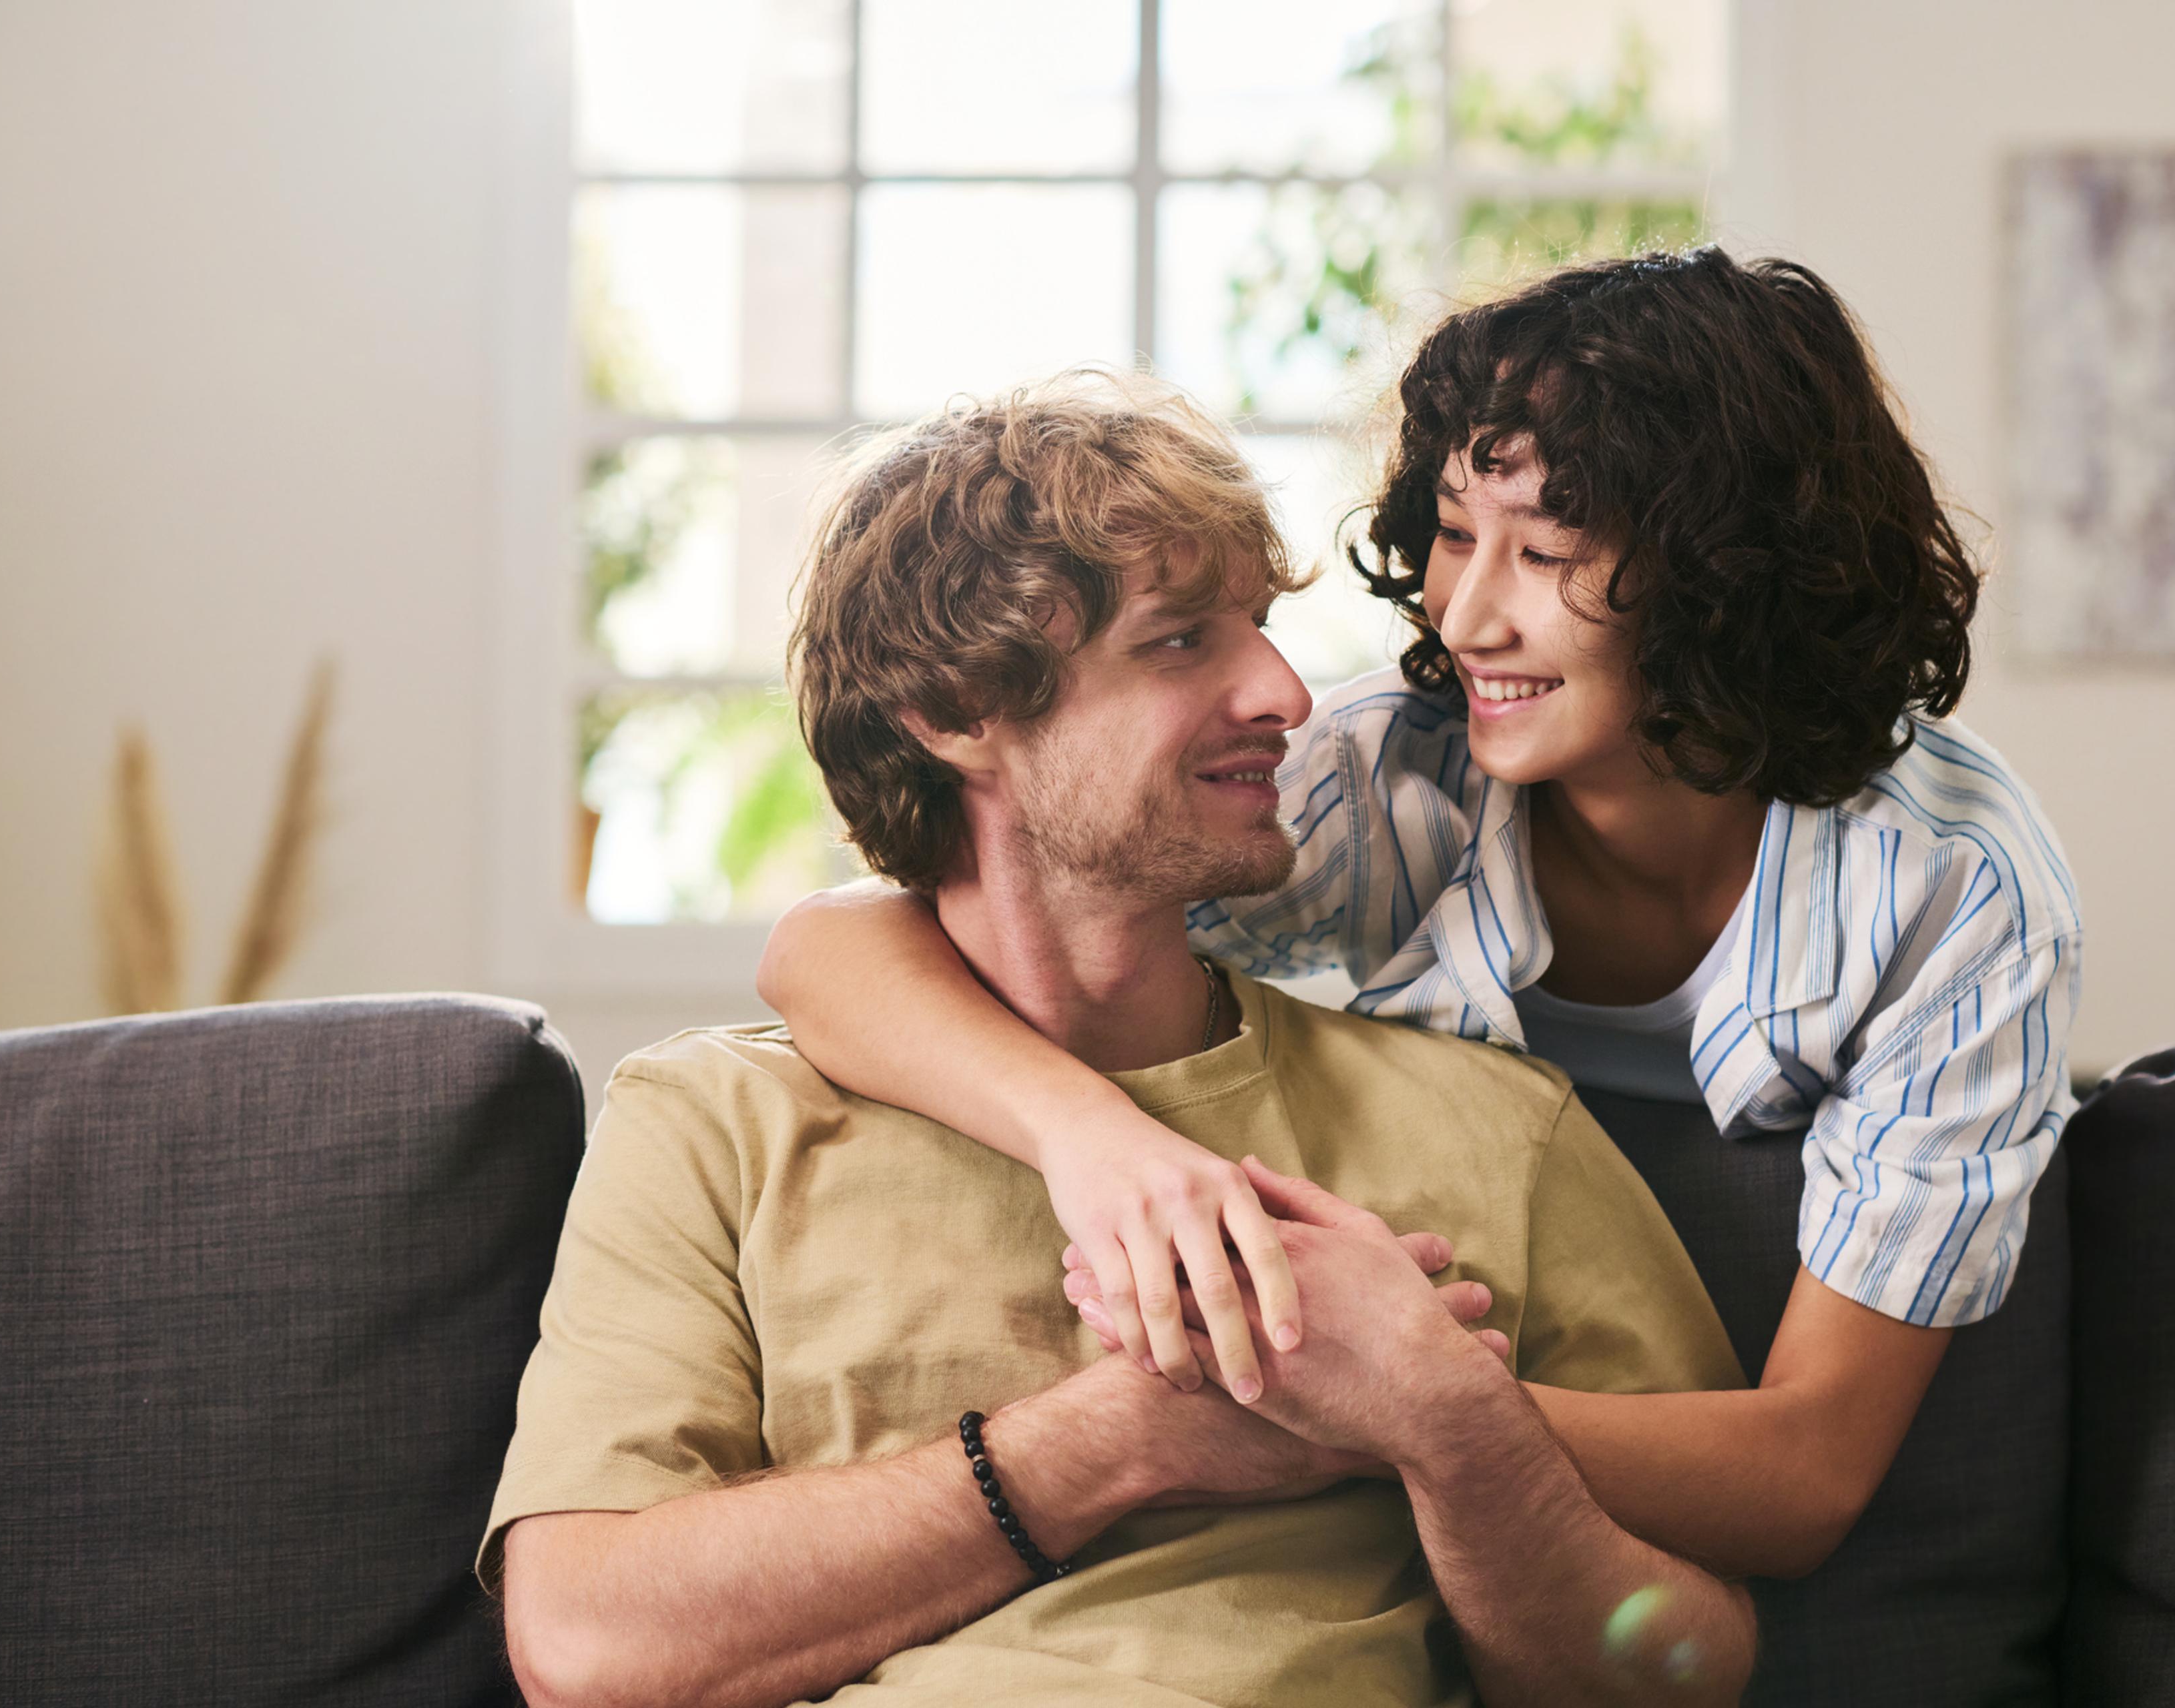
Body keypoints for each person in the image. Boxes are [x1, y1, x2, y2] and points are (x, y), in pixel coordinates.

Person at [757, 248, 2084, 1581]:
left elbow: (1805, 1475)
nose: (1466, 614)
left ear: (1730, 578)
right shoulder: (1389, 772)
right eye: (1455, 531)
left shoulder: (1950, 889)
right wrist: (1095, 1141)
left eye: (1549, 550)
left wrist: (1396, 1401)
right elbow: (832, 944)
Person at [484, 372, 1757, 1707]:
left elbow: (1692, 1668)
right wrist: (1117, 1439)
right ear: (960, 708)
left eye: (1260, 628)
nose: (1281, 691)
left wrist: (1448, 1422)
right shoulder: (711, 1127)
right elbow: (584, 1644)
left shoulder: (1496, 1125)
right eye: (1179, 640)